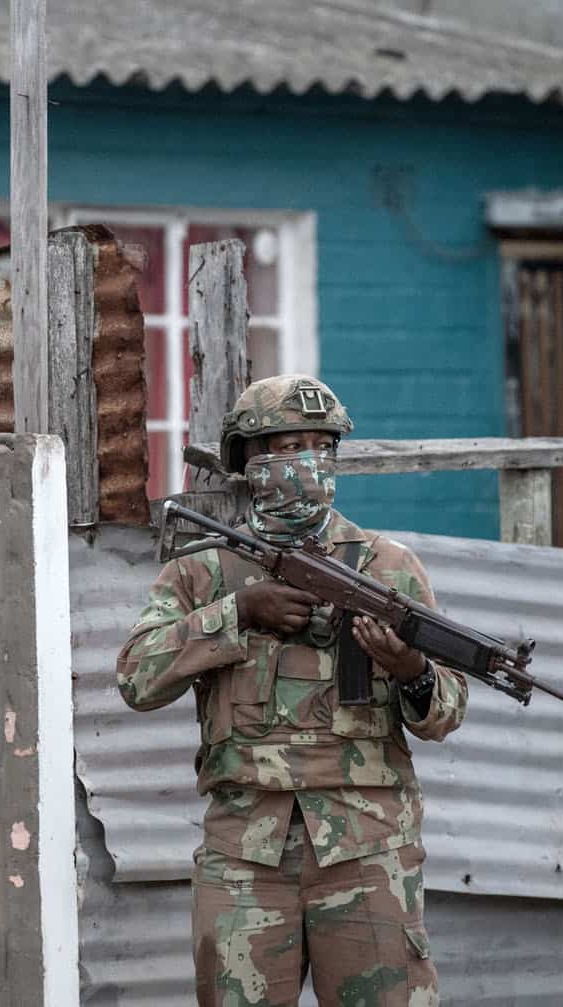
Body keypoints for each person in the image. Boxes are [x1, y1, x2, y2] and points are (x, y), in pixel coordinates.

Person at [116, 375, 467, 1007]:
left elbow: (446, 711)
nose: (309, 462)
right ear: (248, 460)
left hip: (368, 850)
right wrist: (239, 612)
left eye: (321, 447)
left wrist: (410, 668)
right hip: (244, 853)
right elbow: (137, 678)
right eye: (288, 447)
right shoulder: (202, 569)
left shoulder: (386, 567)